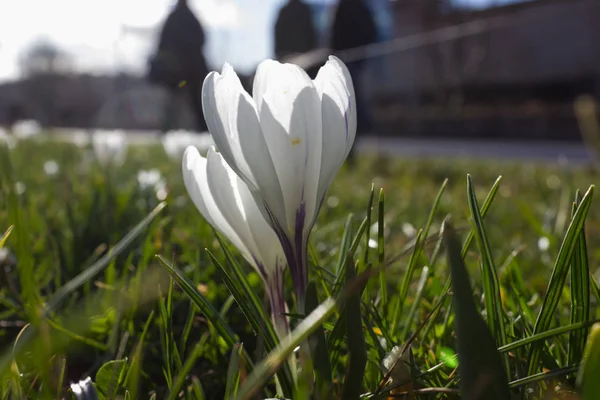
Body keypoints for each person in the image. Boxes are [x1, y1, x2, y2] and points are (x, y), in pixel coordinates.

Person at [149, 0, 208, 132]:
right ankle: (201, 129)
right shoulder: (191, 19)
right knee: (190, 103)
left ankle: (168, 129)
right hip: (188, 70)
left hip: (178, 71)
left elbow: (162, 44)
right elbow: (202, 39)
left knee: (180, 103)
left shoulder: (174, 18)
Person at [331, 0, 378, 164]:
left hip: (354, 60)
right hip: (348, 60)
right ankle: (348, 149)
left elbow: (372, 31)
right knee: (348, 102)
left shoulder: (355, 7)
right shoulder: (348, 6)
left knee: (352, 103)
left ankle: (353, 145)